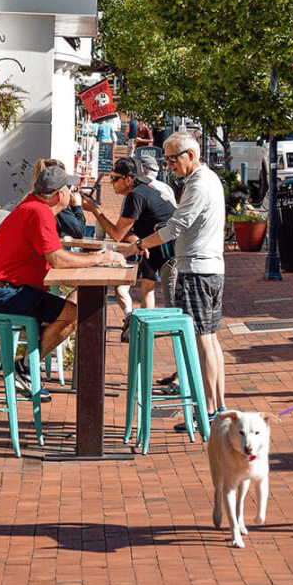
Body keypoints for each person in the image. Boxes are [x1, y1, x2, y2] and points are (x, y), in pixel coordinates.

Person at [0, 164, 127, 399]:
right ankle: (25, 368)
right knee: (73, 314)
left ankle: (26, 367)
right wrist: (101, 258)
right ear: (60, 195)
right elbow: (57, 259)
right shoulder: (40, 213)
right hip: (6, 293)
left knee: (69, 314)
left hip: (3, 290)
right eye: (69, 188)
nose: (72, 192)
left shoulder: (30, 207)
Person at [122, 131, 226, 431]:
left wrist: (140, 245)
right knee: (211, 337)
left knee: (202, 339)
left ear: (190, 155)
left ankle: (208, 409)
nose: (168, 166)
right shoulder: (206, 180)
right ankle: (217, 405)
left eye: (171, 159)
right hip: (210, 267)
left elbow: (176, 226)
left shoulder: (199, 183)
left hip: (197, 270)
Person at [81, 157, 175, 339]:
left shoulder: (136, 195)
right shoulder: (144, 191)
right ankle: (143, 335)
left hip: (172, 257)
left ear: (128, 180)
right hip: (164, 254)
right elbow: (129, 231)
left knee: (177, 316)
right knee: (172, 311)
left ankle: (189, 365)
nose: (111, 182)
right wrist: (136, 241)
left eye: (115, 178)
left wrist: (95, 211)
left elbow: (117, 234)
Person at [32, 158, 86, 239]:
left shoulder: (35, 201)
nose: (70, 187)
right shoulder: (56, 203)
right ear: (59, 189)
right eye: (67, 184)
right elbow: (78, 231)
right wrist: (77, 206)